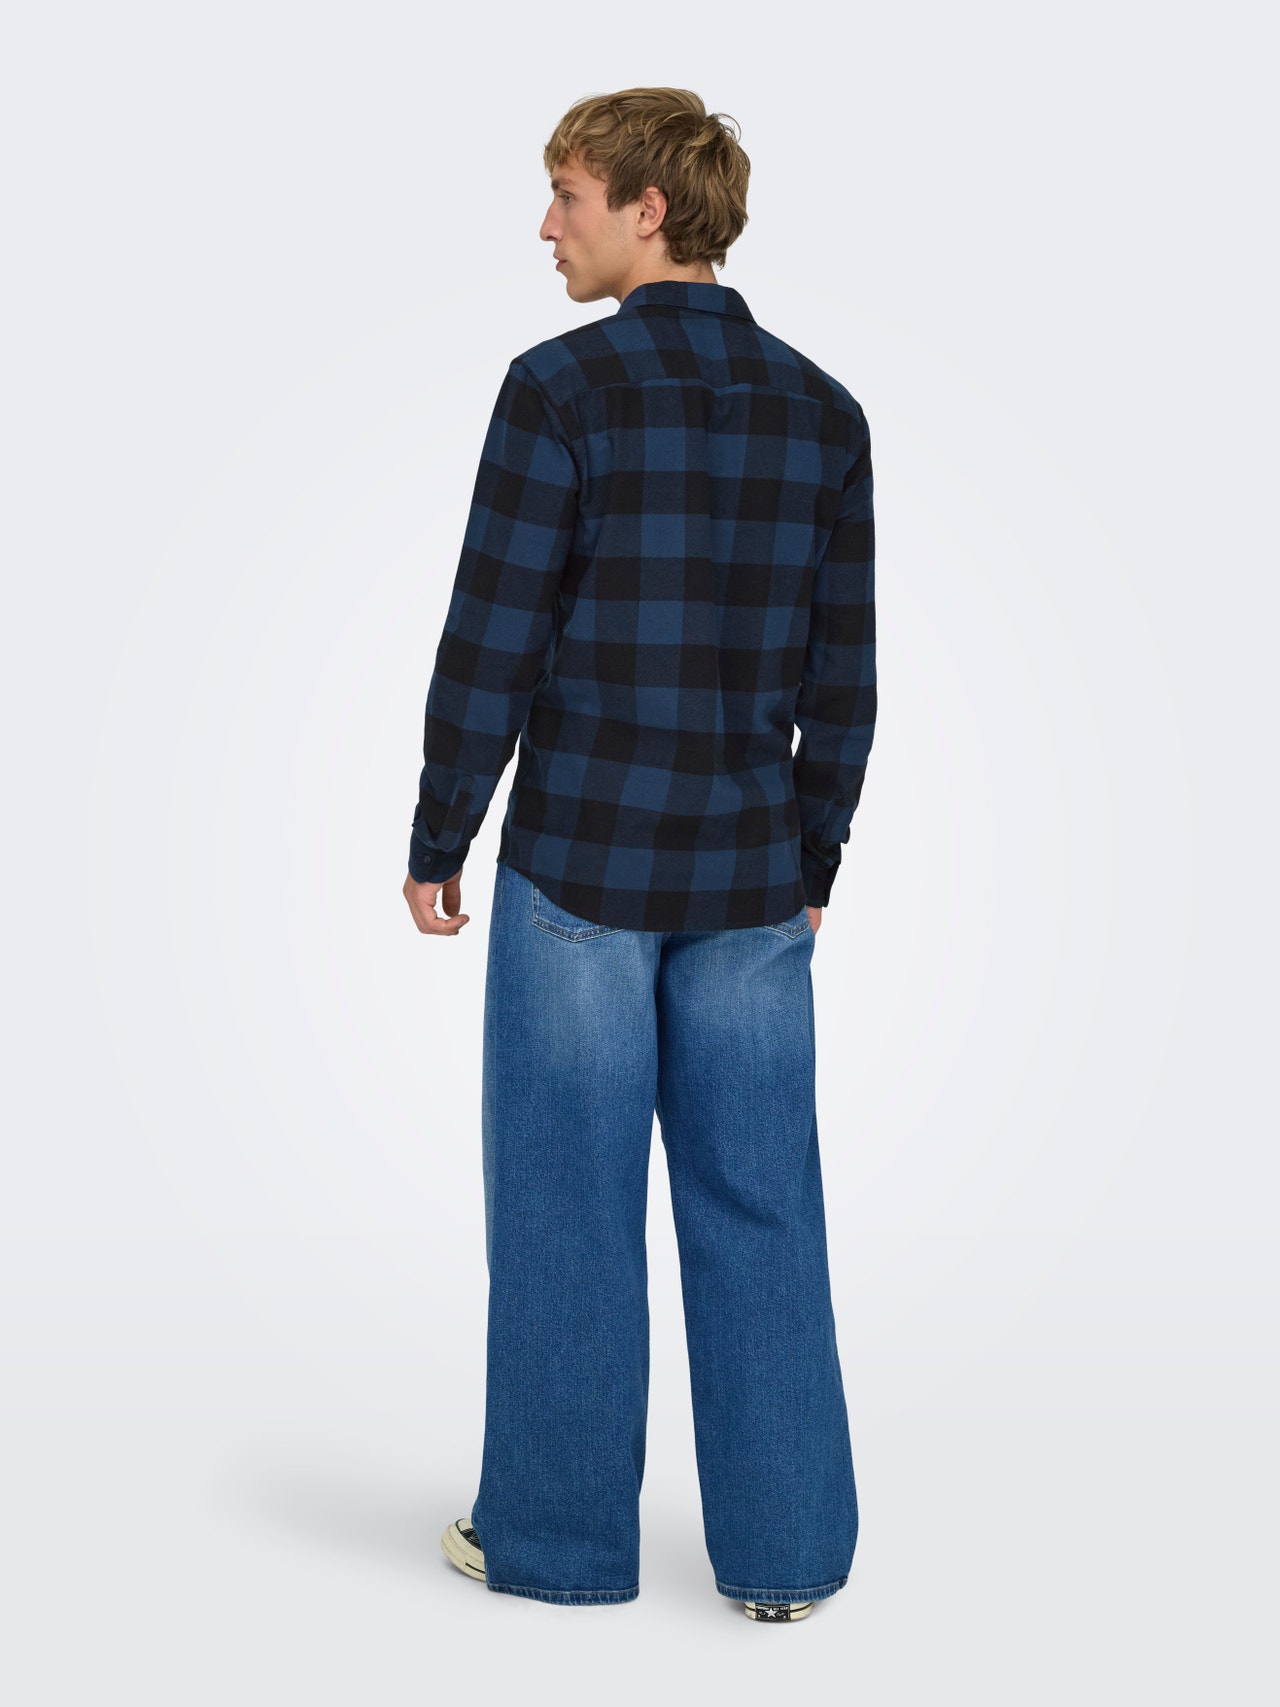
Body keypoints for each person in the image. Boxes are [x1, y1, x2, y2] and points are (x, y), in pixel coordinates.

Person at [402, 86, 876, 1621]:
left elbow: (493, 636)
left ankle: (555, 1548)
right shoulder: (825, 412)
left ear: (647, 209)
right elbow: (845, 680)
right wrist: (815, 860)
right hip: (751, 884)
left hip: (579, 880)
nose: (547, 227)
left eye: (568, 195)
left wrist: (442, 827)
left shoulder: (558, 391)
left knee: (566, 1209)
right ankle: (787, 1562)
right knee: (765, 1208)